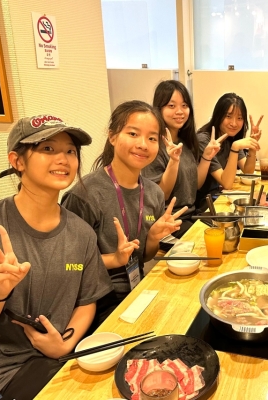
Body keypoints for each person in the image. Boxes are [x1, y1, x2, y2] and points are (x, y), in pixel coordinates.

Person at [0, 115, 113, 400]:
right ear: (17, 161)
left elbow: (87, 301)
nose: (63, 159)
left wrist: (65, 344)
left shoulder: (81, 233)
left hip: (56, 356)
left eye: (70, 151)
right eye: (47, 148)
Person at [61, 100, 187, 331]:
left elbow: (144, 257)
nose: (143, 144)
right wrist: (114, 259)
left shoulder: (154, 193)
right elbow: (69, 266)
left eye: (152, 138)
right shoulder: (86, 195)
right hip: (95, 304)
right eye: (133, 134)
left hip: (137, 290)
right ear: (112, 136)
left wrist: (153, 237)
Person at [143, 80, 223, 237]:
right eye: (171, 106)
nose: (180, 111)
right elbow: (161, 195)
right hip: (168, 222)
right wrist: (173, 161)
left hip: (189, 215)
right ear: (158, 109)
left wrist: (206, 157)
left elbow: (195, 185)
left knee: (228, 228)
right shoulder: (154, 146)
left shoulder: (185, 142)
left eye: (184, 105)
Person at [195, 92, 263, 210]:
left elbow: (248, 171)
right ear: (218, 115)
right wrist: (235, 148)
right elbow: (226, 183)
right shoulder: (205, 140)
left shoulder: (230, 137)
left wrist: (252, 147)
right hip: (205, 203)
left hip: (220, 196)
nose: (234, 123)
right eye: (228, 116)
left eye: (239, 118)